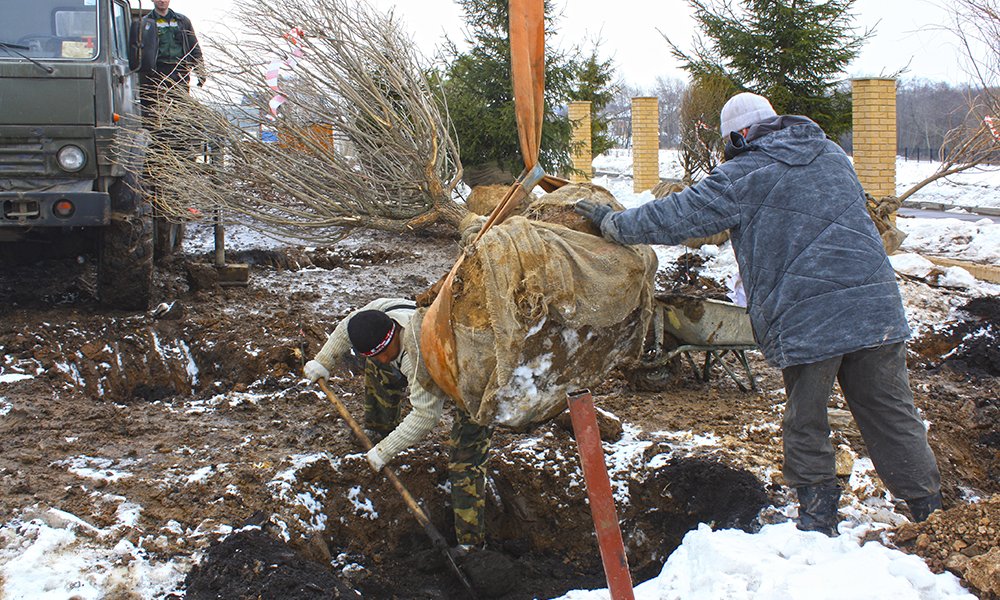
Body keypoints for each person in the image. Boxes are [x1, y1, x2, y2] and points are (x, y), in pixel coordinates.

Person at [575, 92, 943, 536]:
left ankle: (818, 516)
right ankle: (932, 514)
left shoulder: (743, 174)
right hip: (876, 307)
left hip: (809, 314)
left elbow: (678, 215)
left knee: (806, 417)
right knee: (891, 411)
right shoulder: (830, 154)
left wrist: (613, 223)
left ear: (741, 135)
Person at [304, 298, 493, 550]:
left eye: (383, 352)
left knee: (464, 460)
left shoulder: (417, 357)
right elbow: (350, 325)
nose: (381, 358)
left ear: (395, 334)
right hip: (438, 359)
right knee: (379, 369)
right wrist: (323, 361)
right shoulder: (381, 312)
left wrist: (384, 452)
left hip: (478, 380)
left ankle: (472, 545)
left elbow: (426, 416)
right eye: (374, 353)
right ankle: (378, 429)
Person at [129, 0, 205, 121]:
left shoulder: (182, 22)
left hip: (180, 73)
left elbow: (194, 48)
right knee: (154, 115)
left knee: (180, 113)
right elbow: (136, 52)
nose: (162, 1)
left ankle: (178, 138)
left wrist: (201, 72)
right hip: (155, 75)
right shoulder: (144, 23)